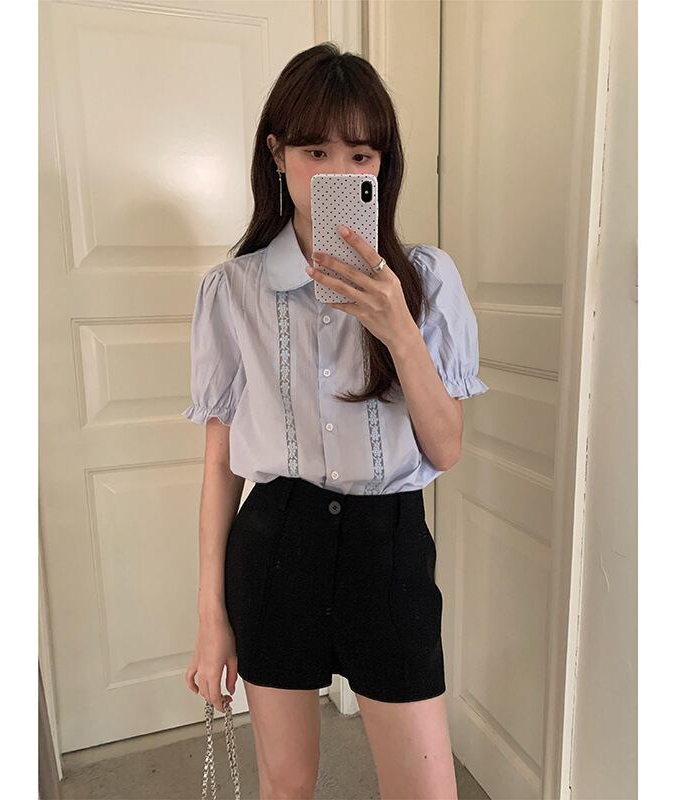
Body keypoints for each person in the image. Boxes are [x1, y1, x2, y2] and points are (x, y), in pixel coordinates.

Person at [183, 42, 488, 800]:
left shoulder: (427, 280)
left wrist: (398, 326)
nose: (338, 173)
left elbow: (446, 448)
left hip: (389, 548)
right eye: (315, 151)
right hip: (276, 546)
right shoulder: (233, 291)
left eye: (361, 155)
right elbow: (219, 461)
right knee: (286, 786)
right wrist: (210, 617)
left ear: (382, 166)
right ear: (276, 154)